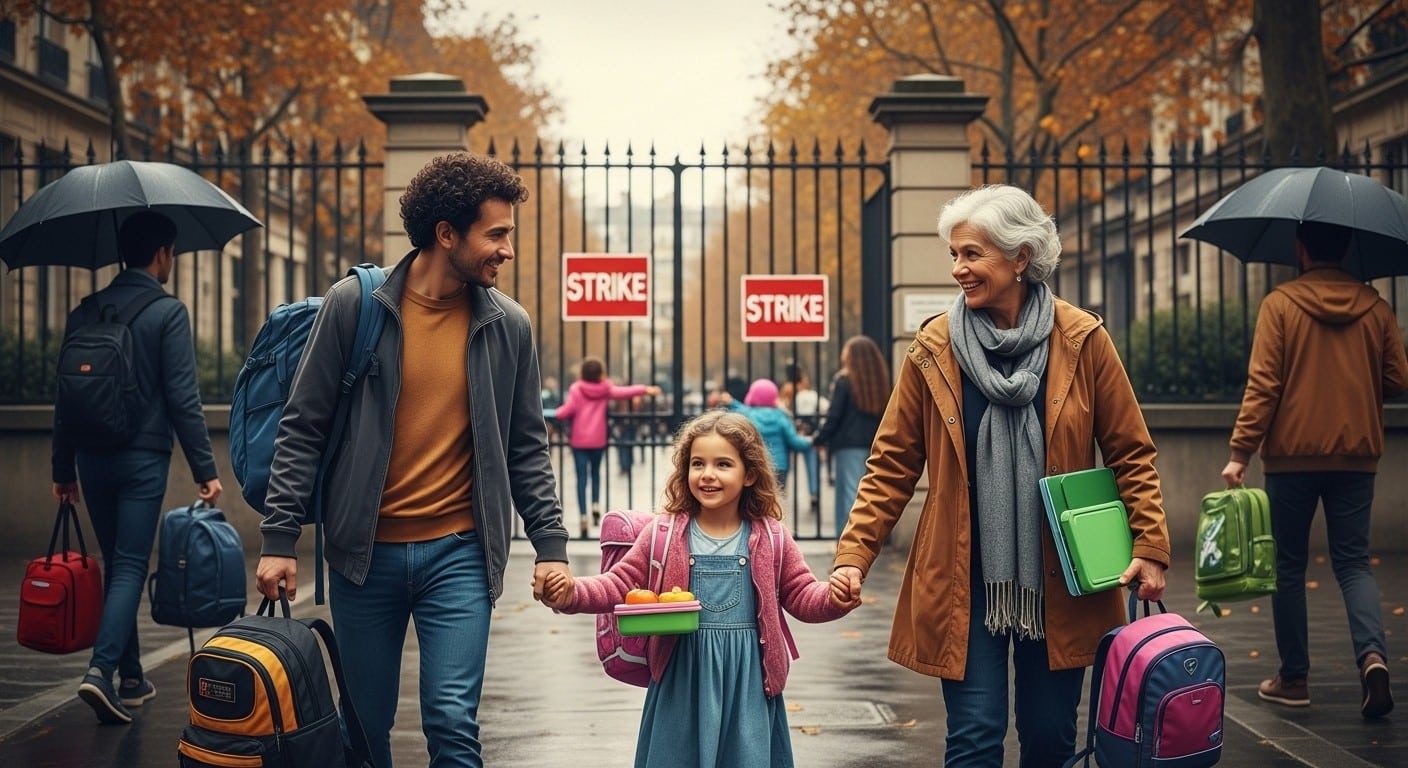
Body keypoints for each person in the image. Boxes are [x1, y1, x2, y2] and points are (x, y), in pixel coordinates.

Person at [830, 184, 1170, 767]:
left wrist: (1151, 545)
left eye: (972, 254)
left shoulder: (1082, 338)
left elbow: (1130, 451)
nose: (959, 269)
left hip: (1063, 574)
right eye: (954, 255)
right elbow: (890, 464)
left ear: (1020, 257)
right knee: (974, 739)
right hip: (962, 573)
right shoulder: (935, 346)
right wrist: (852, 558)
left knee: (1049, 739)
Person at [255, 152, 571, 768]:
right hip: (362, 557)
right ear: (446, 234)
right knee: (365, 732)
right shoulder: (356, 306)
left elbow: (526, 446)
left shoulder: (509, 326)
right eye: (497, 234)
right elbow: (304, 425)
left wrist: (551, 547)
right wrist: (278, 538)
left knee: (453, 722)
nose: (508, 249)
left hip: (460, 554)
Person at [541, 410, 858, 767]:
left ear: (749, 474)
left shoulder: (771, 537)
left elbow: (801, 595)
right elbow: (619, 584)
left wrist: (834, 597)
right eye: (697, 464)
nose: (707, 475)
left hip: (748, 683)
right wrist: (571, 593)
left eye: (723, 464)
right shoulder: (665, 533)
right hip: (681, 680)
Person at [1221, 220, 1408, 720]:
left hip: (1291, 459)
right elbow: (1397, 378)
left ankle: (1294, 678)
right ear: (1346, 247)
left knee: (1287, 565)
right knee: (1352, 562)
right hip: (1357, 458)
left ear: (1301, 248)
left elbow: (1263, 386)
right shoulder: (1377, 307)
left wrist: (1241, 451)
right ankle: (1372, 659)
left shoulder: (1280, 305)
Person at [50, 211, 223, 725]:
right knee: (128, 564)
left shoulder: (84, 312)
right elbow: (183, 398)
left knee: (115, 562)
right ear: (163, 254)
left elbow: (65, 398)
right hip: (142, 457)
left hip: (90, 456)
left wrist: (63, 470)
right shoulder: (168, 312)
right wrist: (205, 468)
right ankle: (101, 671)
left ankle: (129, 676)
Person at [545, 356, 661, 538]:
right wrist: (646, 389)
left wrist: (546, 412)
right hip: (598, 439)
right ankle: (596, 504)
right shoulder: (605, 389)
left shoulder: (576, 389)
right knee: (596, 474)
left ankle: (583, 515)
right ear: (601, 373)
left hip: (579, 440)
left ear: (582, 372)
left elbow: (565, 412)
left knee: (581, 478)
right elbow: (625, 392)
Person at [812, 335, 891, 537]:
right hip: (875, 445)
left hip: (848, 446)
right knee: (869, 496)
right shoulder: (880, 381)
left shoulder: (845, 380)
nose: (842, 355)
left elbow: (834, 415)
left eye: (845, 351)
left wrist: (819, 438)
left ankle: (847, 545)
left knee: (848, 496)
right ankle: (867, 540)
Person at [721, 378, 813, 493]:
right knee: (776, 500)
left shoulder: (749, 414)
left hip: (757, 464)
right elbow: (794, 441)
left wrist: (731, 402)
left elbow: (740, 408)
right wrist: (810, 441)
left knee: (757, 500)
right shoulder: (780, 416)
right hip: (779, 466)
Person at [780, 362, 828, 515]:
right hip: (808, 432)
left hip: (792, 429)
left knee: (786, 464)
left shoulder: (787, 389)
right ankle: (814, 492)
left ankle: (781, 494)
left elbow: (784, 407)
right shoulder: (806, 389)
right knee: (812, 464)